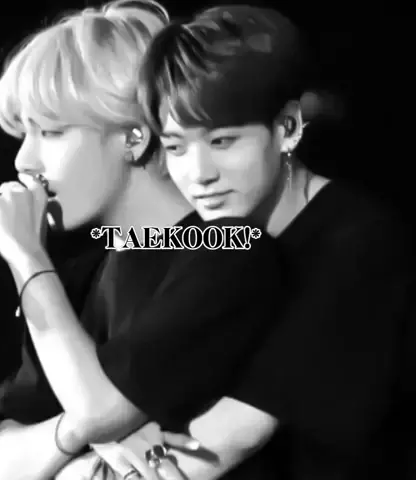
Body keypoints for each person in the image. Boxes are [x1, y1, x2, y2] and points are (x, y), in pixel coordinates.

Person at [73, 4, 414, 480]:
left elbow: (221, 445)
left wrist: (97, 446)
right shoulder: (189, 241)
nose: (198, 174)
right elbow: (89, 399)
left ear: (287, 127)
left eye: (222, 141)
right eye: (176, 147)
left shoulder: (357, 244)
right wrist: (106, 428)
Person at [0, 1, 288, 479]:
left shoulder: (231, 254)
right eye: (26, 134)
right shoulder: (74, 280)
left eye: (51, 132)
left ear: (134, 138)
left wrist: (26, 256)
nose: (24, 161)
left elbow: (99, 410)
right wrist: (72, 435)